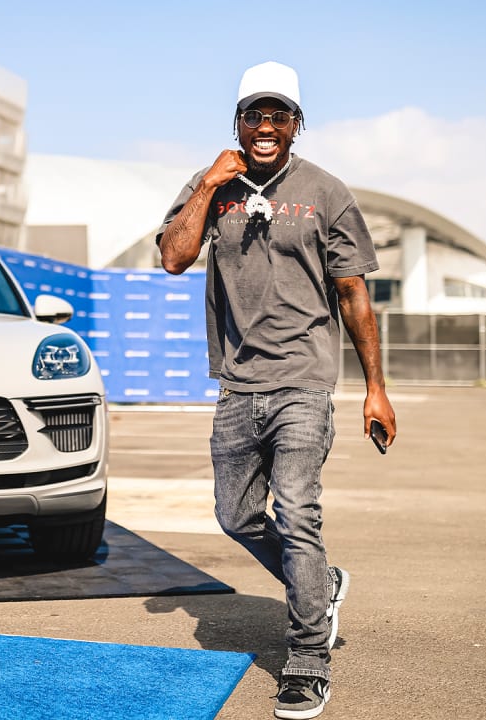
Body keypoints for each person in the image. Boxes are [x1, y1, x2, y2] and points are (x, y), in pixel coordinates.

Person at [156, 61, 397, 719]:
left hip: (304, 382)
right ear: (237, 122)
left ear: (297, 125)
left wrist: (376, 389)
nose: (265, 128)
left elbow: (353, 292)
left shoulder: (325, 192)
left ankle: (307, 662)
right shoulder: (213, 188)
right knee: (235, 516)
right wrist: (208, 184)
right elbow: (174, 256)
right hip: (237, 384)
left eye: (278, 116)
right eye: (254, 116)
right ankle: (322, 582)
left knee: (296, 513)